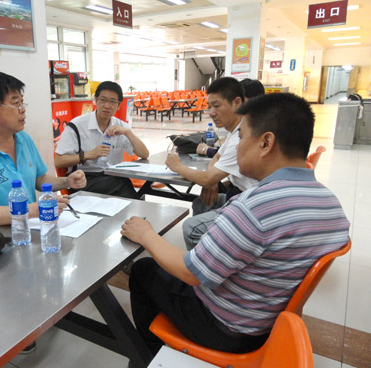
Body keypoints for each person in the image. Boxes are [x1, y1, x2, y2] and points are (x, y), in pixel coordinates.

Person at [121, 92, 350, 358]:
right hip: (273, 318)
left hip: (228, 329)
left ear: (266, 142)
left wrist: (147, 235)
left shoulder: (253, 208)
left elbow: (192, 272)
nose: (237, 147)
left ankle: (146, 356)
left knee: (143, 270)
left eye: (241, 138)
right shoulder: (331, 202)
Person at [0, 71, 86, 226]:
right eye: (15, 103)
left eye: (22, 103)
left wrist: (67, 181)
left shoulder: (23, 139)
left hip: (29, 227)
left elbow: (39, 179)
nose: (22, 109)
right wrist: (35, 209)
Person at [166, 77, 257, 250]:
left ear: (237, 102)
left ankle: (204, 268)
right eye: (209, 106)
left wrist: (177, 166)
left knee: (191, 227)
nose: (211, 112)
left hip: (248, 206)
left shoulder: (243, 135)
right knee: (202, 202)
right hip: (237, 195)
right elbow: (216, 159)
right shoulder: (234, 131)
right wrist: (213, 180)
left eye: (217, 105)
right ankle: (211, 247)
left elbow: (207, 177)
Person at [55, 81, 149, 199]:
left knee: (127, 186)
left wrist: (128, 132)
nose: (107, 105)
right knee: (123, 185)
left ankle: (136, 213)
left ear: (118, 105)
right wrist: (88, 155)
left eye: (112, 101)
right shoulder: (77, 126)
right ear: (96, 100)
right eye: (103, 100)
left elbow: (144, 154)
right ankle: (137, 214)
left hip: (113, 176)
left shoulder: (120, 126)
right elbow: (58, 161)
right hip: (84, 179)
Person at [195, 78, 265, 159]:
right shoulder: (240, 126)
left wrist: (206, 150)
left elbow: (231, 154)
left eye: (217, 106)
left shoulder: (254, 129)